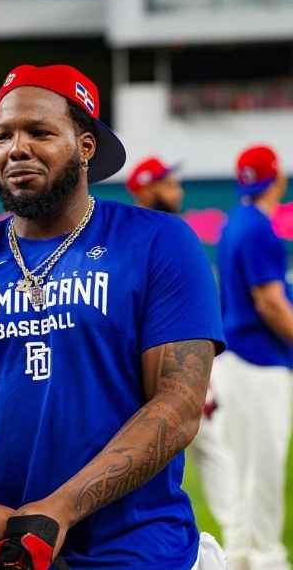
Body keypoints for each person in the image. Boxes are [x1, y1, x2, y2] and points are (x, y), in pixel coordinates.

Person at [0, 64, 227, 570]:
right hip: (8, 554)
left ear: (86, 145)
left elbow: (178, 404)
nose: (17, 148)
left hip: (140, 553)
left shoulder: (160, 242)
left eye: (39, 132)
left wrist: (61, 510)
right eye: (3, 135)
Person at [127, 155, 238, 548]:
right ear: (145, 188)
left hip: (192, 361)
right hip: (169, 370)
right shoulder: (147, 237)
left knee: (219, 455)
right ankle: (240, 545)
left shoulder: (166, 233)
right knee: (217, 456)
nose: (178, 190)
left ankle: (238, 541)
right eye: (168, 184)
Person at [215, 144, 293, 570]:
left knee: (247, 471)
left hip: (238, 359)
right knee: (262, 471)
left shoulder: (235, 222)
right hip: (259, 362)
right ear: (276, 178)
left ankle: (243, 558)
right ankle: (265, 559)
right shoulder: (259, 227)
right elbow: (270, 302)